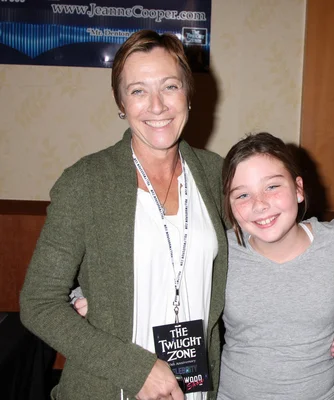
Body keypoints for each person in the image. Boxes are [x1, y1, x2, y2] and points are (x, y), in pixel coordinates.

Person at [19, 30, 228, 400]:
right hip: (109, 389)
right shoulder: (85, 182)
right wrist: (135, 369)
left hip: (197, 390)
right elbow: (38, 302)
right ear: (121, 102)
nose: (157, 106)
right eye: (138, 91)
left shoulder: (217, 175)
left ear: (188, 94)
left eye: (169, 86)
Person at [217, 132, 334, 399]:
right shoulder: (219, 251)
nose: (260, 204)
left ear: (298, 189)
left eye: (272, 187)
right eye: (242, 195)